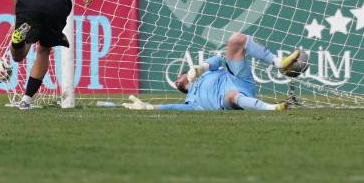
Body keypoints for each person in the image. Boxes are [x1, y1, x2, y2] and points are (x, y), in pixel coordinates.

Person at [124, 34, 304, 112]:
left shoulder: (202, 73)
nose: (177, 81)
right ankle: (272, 108)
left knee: (236, 40)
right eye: (177, 83)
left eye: (178, 78)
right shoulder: (192, 102)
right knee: (233, 97)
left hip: (236, 77)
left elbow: (219, 60)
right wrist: (148, 107)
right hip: (226, 98)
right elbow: (173, 107)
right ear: (182, 90)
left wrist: (200, 68)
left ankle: (279, 63)